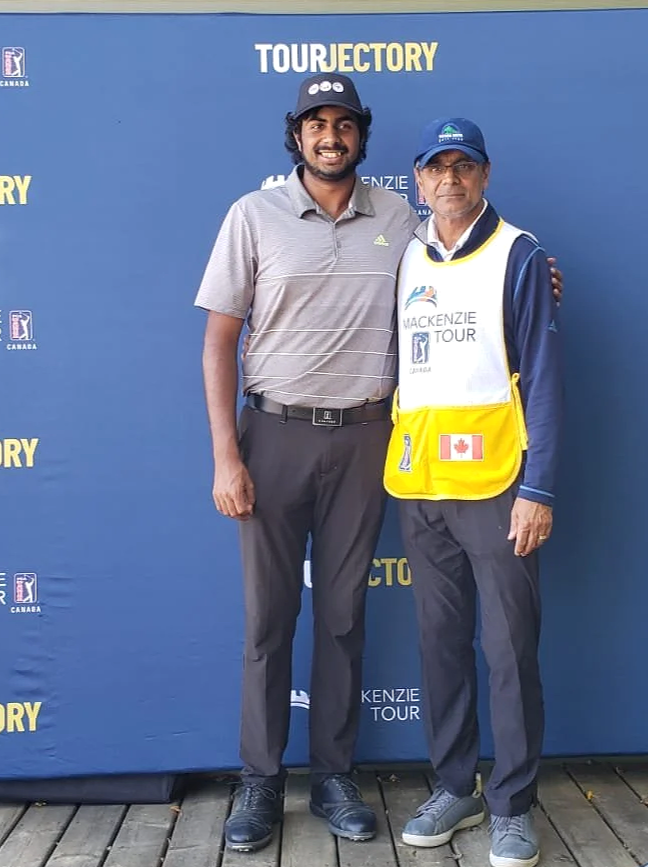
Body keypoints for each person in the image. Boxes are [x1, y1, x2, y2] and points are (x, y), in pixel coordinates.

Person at [195, 75, 563, 854]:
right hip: (275, 432)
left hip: (371, 443)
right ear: (295, 135)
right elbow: (218, 340)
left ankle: (334, 775)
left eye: (344, 125)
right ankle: (260, 781)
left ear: (363, 136)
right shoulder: (251, 215)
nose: (330, 137)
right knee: (268, 619)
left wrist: (540, 278)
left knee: (343, 618)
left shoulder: (401, 219)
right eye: (315, 124)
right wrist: (226, 452)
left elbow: (485, 267)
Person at [383, 117, 564, 867]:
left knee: (507, 646)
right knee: (439, 643)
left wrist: (539, 486)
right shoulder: (406, 256)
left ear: (484, 177)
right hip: (422, 484)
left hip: (497, 484)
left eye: (464, 167)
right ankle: (454, 784)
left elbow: (546, 377)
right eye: (436, 168)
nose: (449, 179)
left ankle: (512, 802)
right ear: (417, 180)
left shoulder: (518, 254)